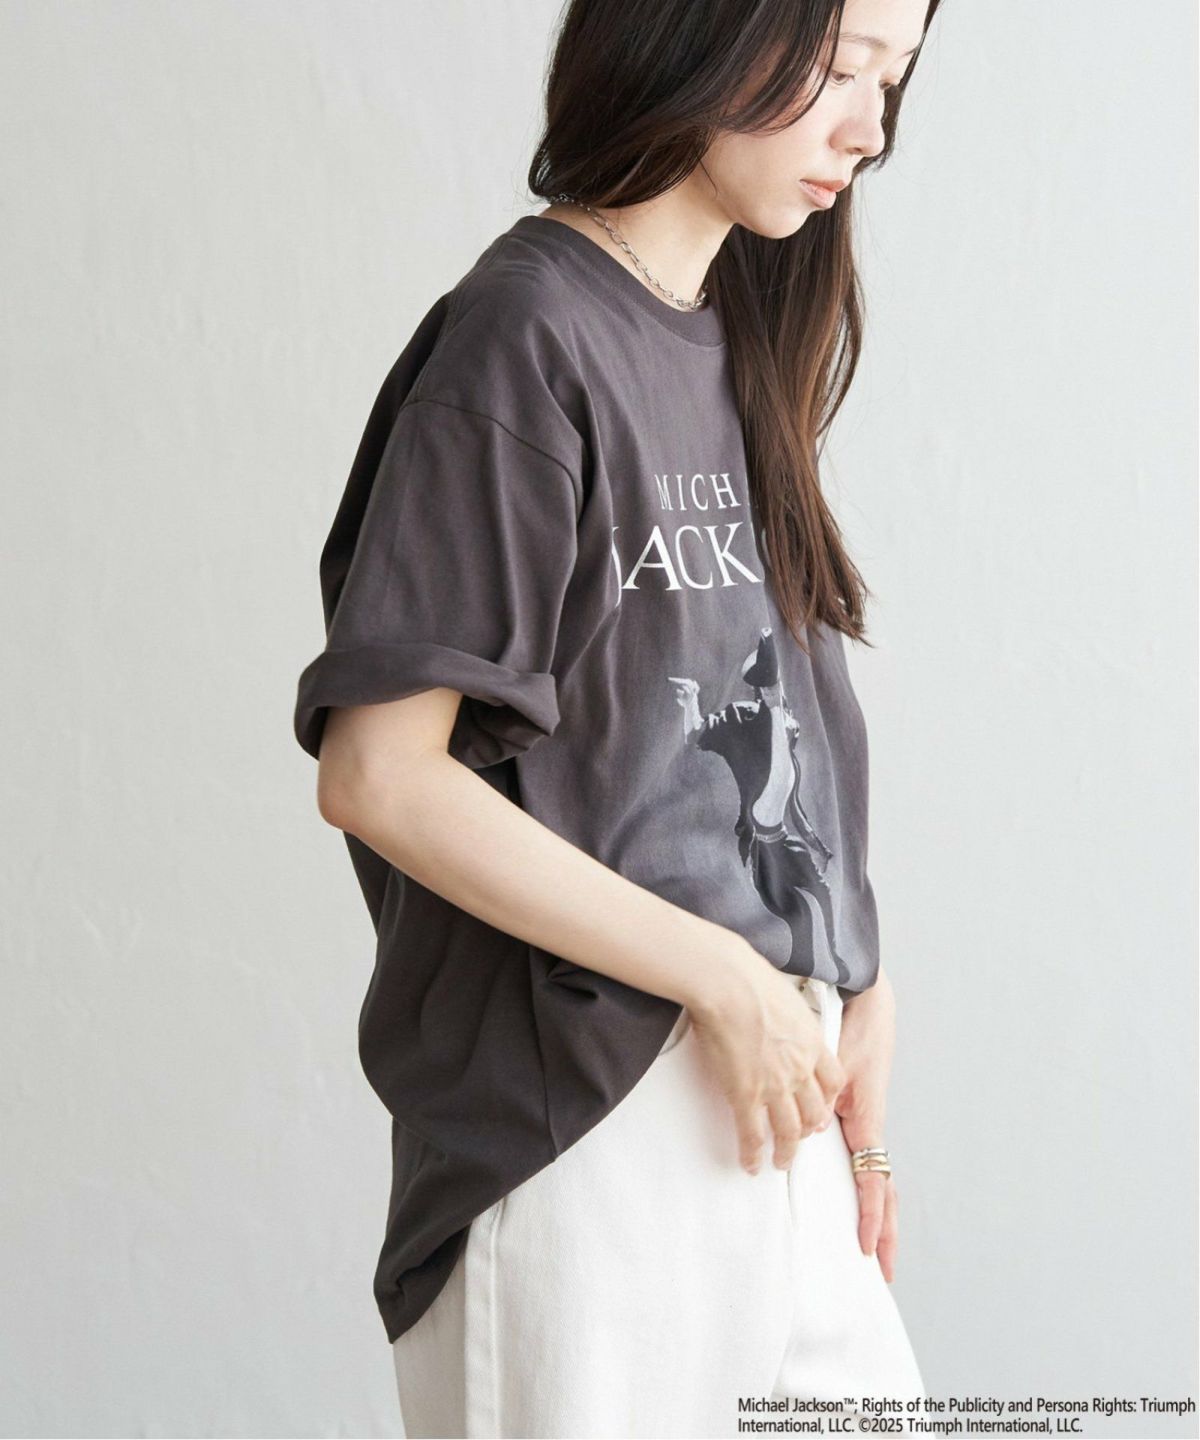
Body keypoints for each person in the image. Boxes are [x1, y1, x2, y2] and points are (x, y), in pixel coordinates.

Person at [292, 0, 942, 1433]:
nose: (869, 126)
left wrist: (854, 978)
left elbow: (745, 739)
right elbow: (380, 774)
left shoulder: (739, 336)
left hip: (777, 1106)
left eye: (892, 78)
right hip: (586, 1132)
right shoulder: (528, 334)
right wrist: (723, 978)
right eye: (838, 67)